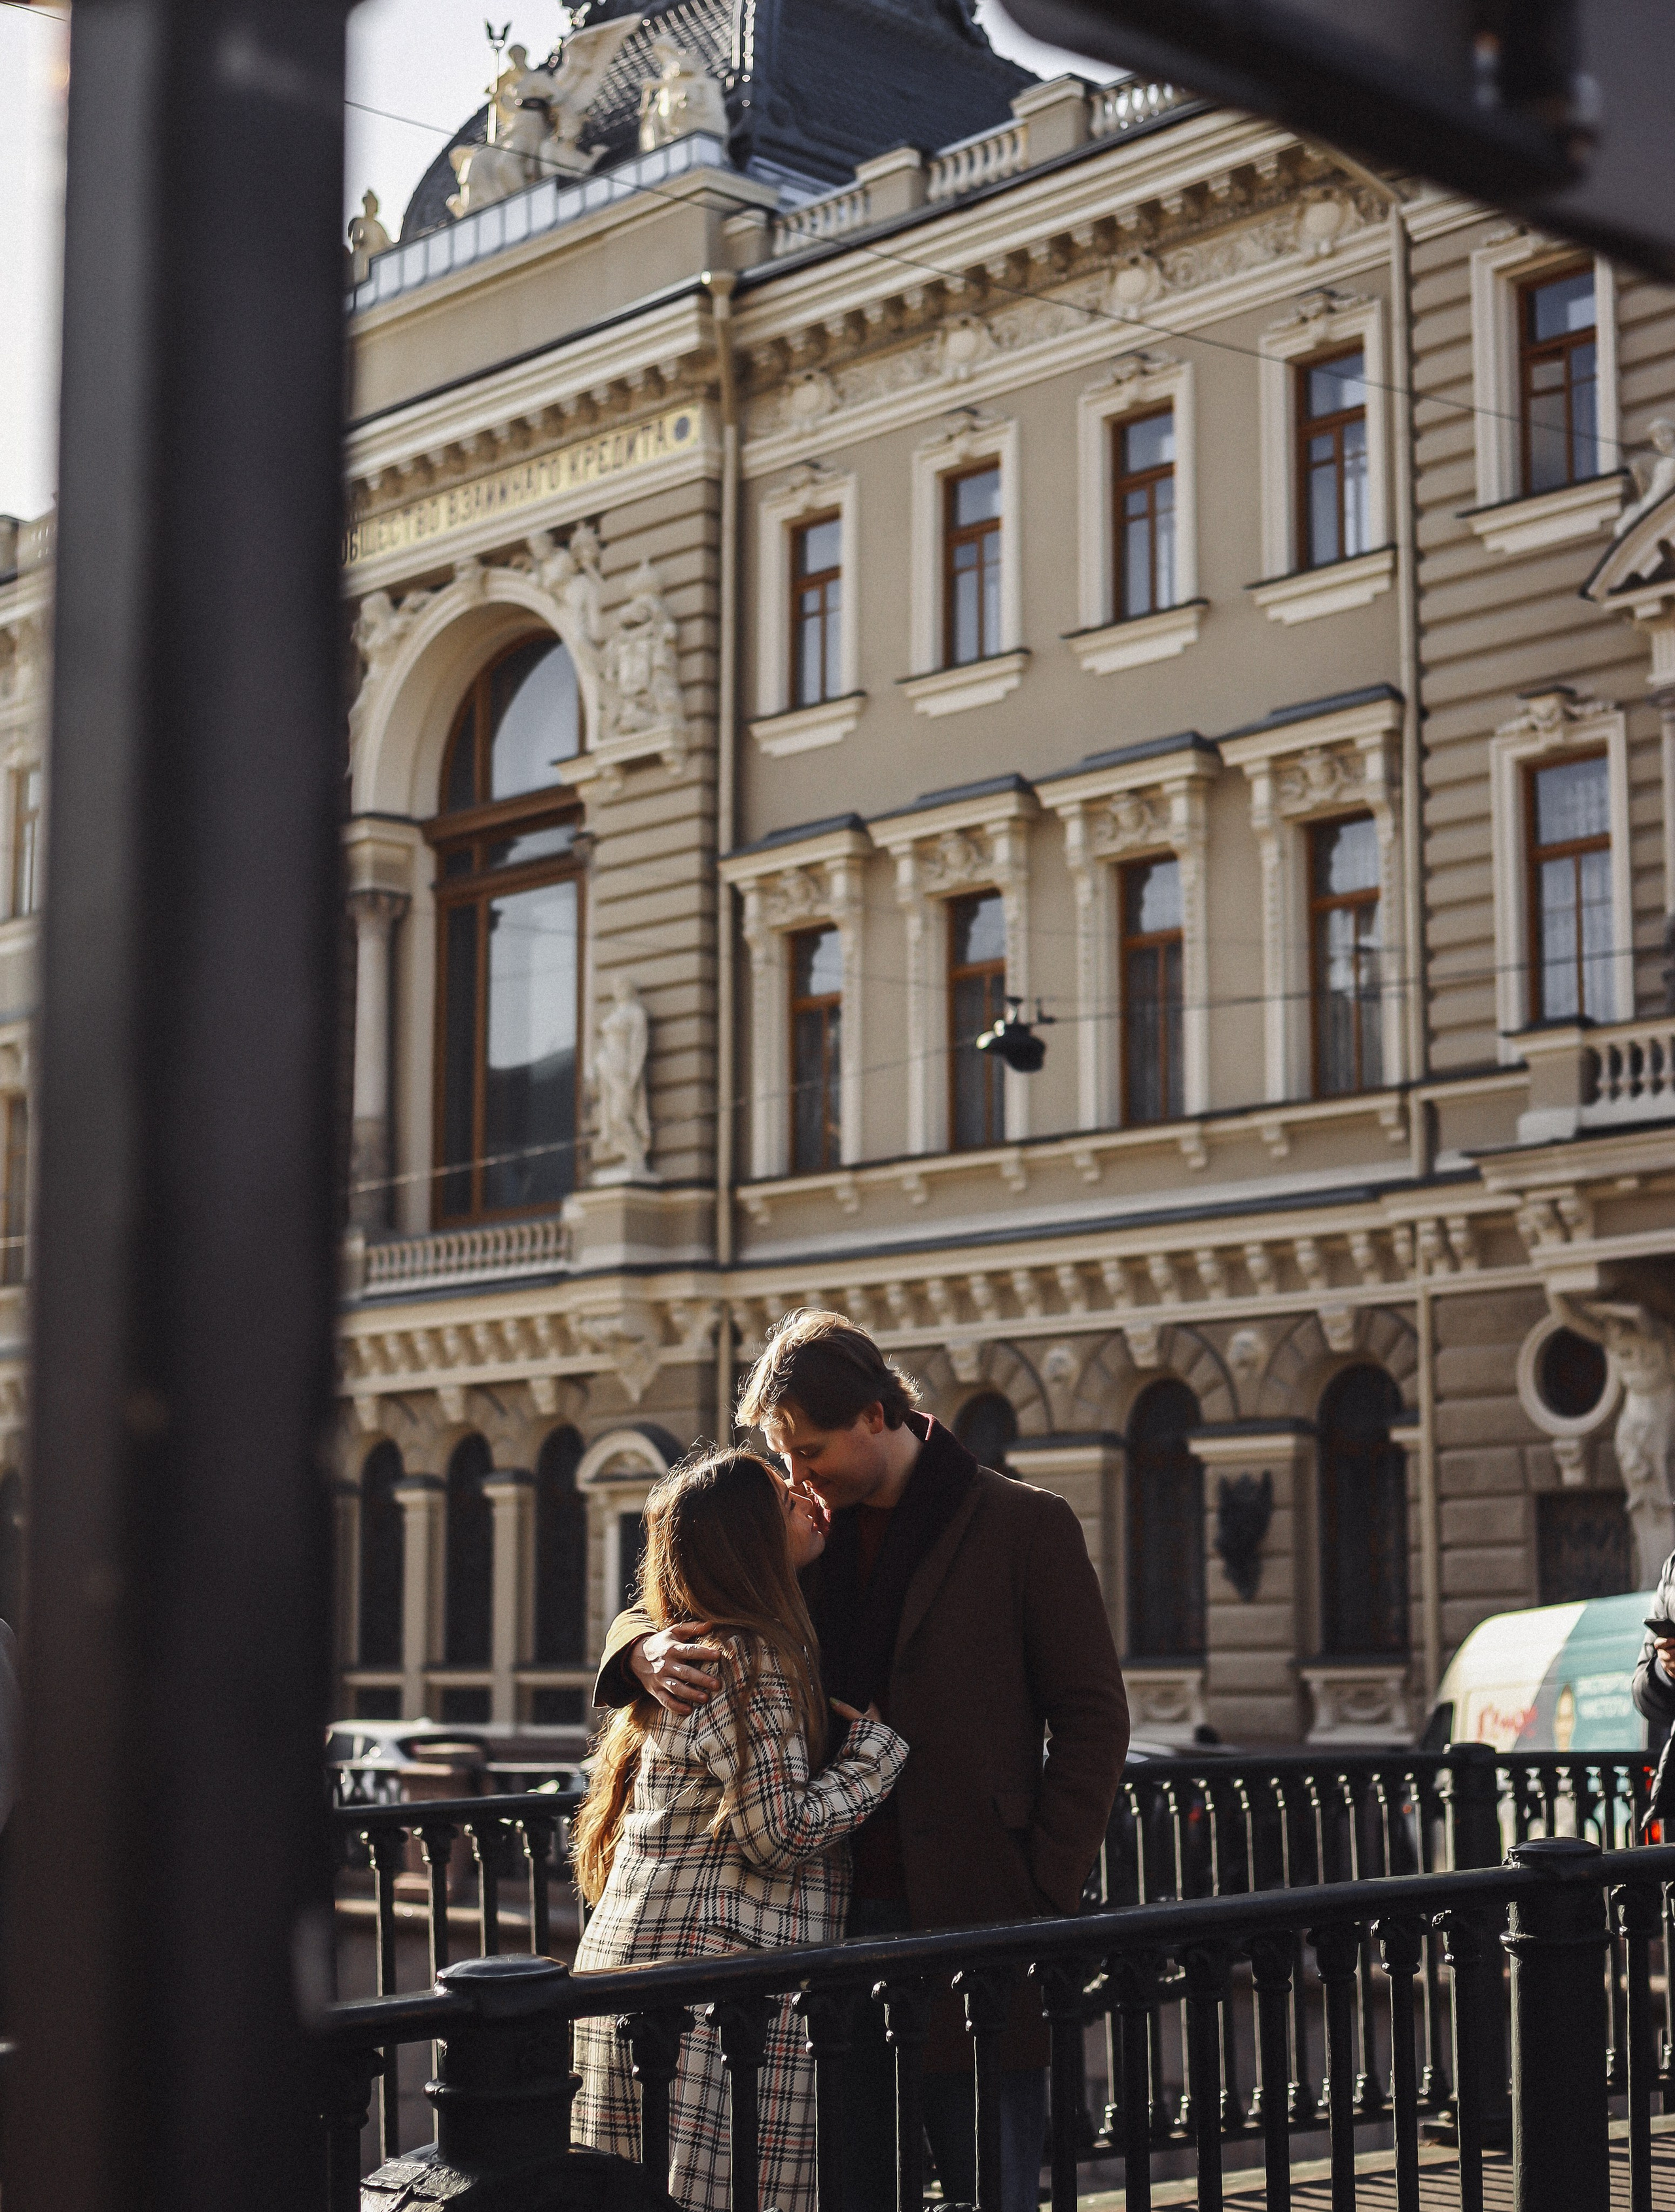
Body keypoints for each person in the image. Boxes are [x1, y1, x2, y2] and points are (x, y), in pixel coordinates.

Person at [594, 1311, 1129, 2212]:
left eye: (810, 1452)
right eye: (783, 1459)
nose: (798, 1480)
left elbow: (1093, 1718)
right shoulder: (804, 1530)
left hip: (975, 1917)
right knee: (843, 2186)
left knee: (987, 2181)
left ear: (877, 1415)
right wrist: (637, 1650)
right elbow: (696, 1570)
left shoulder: (1026, 1524)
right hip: (823, 1927)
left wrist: (1044, 1890)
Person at [570, 1446, 907, 2212]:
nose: (804, 1496)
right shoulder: (754, 1657)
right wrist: (874, 1759)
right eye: (784, 1498)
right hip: (717, 1991)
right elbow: (777, 1834)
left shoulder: (698, 1640)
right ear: (752, 1538)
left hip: (638, 1973)